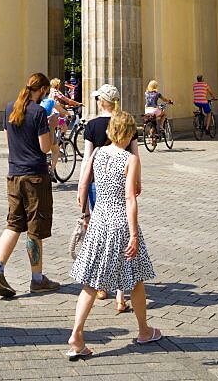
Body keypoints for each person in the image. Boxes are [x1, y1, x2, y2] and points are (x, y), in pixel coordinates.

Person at [68, 110, 159, 359]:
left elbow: (85, 180)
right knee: (136, 278)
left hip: (99, 222)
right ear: (129, 133)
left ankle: (76, 333)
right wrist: (134, 235)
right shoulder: (130, 159)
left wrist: (84, 205)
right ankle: (143, 330)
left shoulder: (98, 153)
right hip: (119, 222)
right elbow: (131, 197)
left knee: (90, 282)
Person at [0, 72, 59, 299]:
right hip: (35, 176)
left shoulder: (10, 107)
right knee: (34, 228)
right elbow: (45, 147)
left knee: (13, 224)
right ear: (43, 90)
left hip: (14, 174)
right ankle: (37, 279)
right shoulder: (38, 112)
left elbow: (9, 139)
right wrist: (52, 127)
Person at [78, 83, 141, 312]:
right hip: (124, 184)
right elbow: (135, 154)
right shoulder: (126, 122)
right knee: (123, 241)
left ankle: (101, 286)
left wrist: (81, 189)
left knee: (101, 238)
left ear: (101, 102)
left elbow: (87, 160)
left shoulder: (92, 125)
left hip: (98, 187)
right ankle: (120, 296)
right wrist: (138, 181)